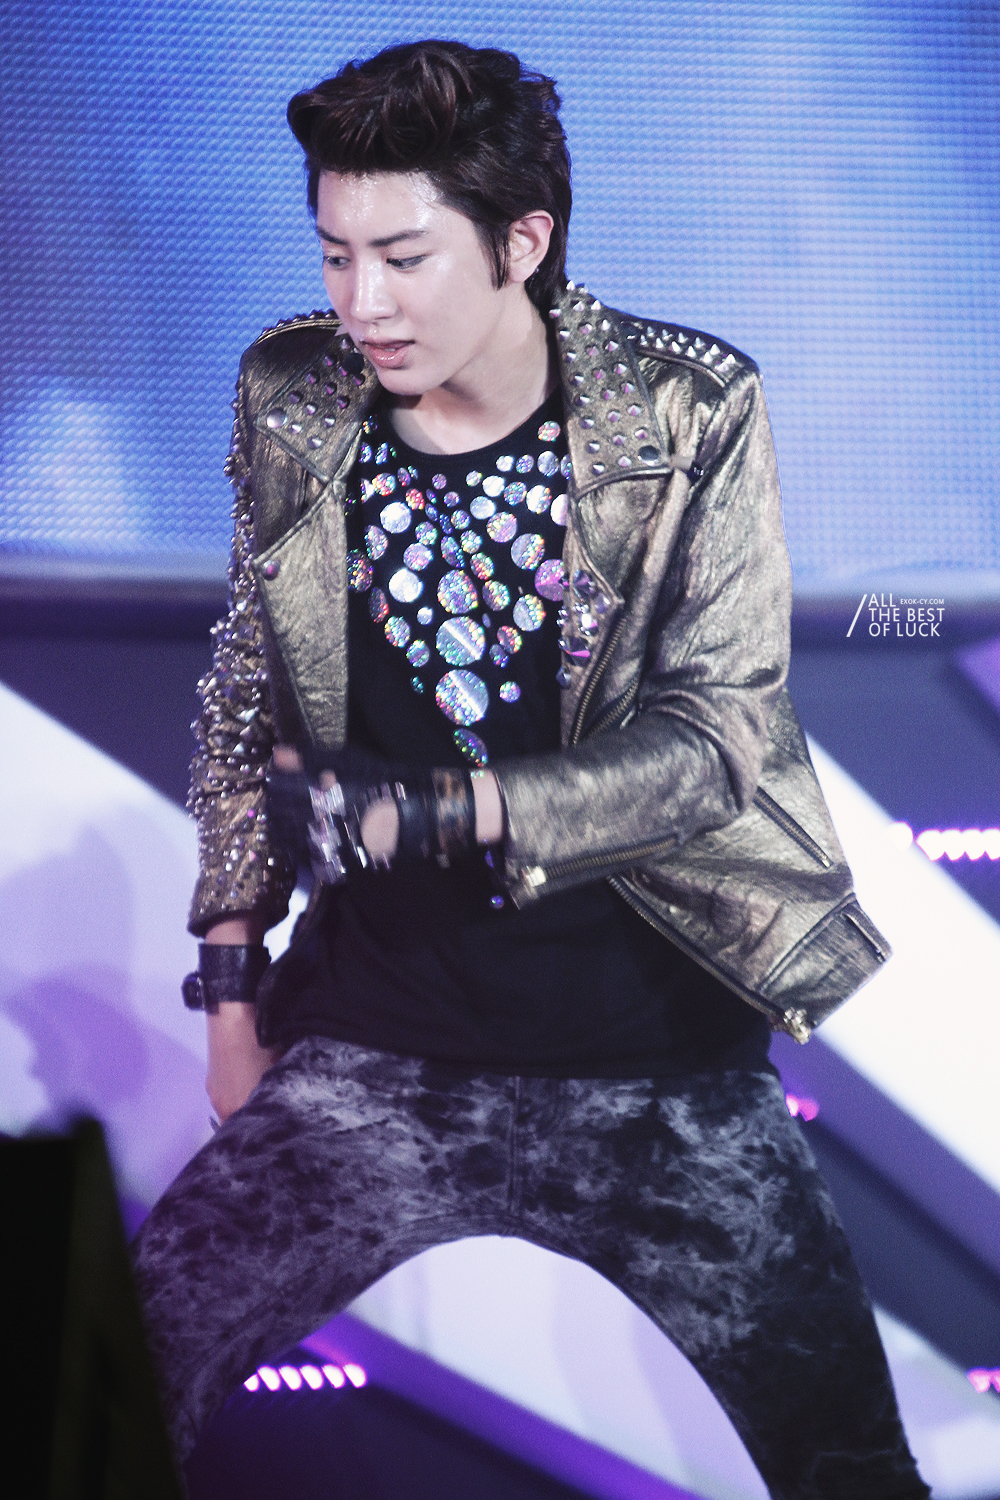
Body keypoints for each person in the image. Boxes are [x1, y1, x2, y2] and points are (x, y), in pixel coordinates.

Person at [133, 41, 929, 1499]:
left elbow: (719, 742)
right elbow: (247, 702)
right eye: (335, 254)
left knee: (852, 1473)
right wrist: (232, 1001)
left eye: (404, 258)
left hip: (660, 1068)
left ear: (523, 242)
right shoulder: (292, 395)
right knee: (89, 1396)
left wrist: (452, 810)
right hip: (375, 1049)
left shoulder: (687, 412)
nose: (362, 303)